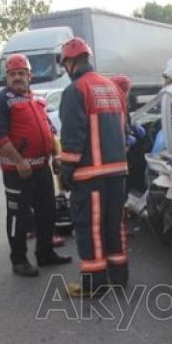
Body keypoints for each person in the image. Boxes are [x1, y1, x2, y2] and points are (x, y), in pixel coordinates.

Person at [58, 37, 129, 296]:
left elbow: (73, 139)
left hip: (90, 177)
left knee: (91, 230)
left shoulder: (76, 90)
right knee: (115, 226)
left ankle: (94, 283)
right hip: (118, 174)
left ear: (70, 63)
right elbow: (126, 130)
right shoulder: (113, 88)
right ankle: (119, 277)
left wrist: (66, 172)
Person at [0, 53, 71, 277]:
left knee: (47, 213)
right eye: (12, 74)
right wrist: (18, 161)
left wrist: (56, 156)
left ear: (29, 76)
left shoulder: (36, 100)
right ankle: (19, 260)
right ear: (7, 78)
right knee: (19, 217)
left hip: (42, 169)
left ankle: (45, 254)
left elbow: (50, 131)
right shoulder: (1, 102)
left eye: (21, 73)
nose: (17, 77)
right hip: (18, 172)